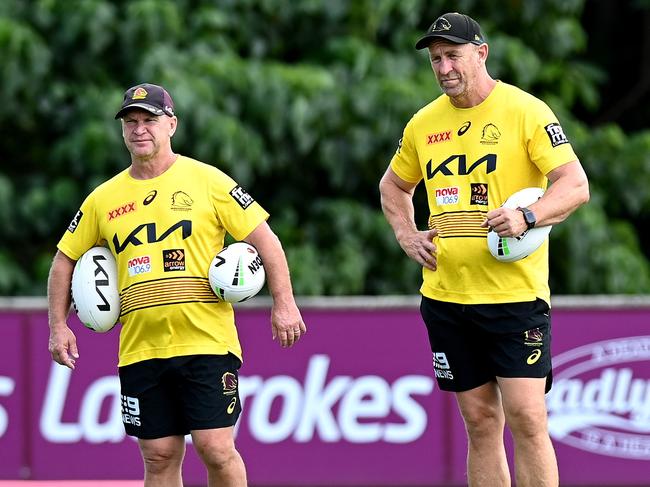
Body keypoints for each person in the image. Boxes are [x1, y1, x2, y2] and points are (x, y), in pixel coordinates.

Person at [47, 82, 307, 487]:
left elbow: (265, 240)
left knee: (216, 449)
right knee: (158, 455)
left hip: (206, 341)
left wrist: (284, 303)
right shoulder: (103, 198)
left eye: (149, 120)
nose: (139, 129)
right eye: (130, 122)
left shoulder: (207, 180)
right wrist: (59, 326)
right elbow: (64, 259)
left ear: (171, 125)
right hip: (140, 348)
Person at [379, 13, 589, 487]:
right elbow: (393, 187)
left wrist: (527, 217)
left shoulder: (526, 111)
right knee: (480, 423)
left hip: (514, 299)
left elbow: (575, 185)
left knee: (528, 421)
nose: (444, 67)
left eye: (453, 55)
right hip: (448, 299)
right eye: (436, 59)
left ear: (481, 53)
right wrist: (407, 234)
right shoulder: (424, 123)